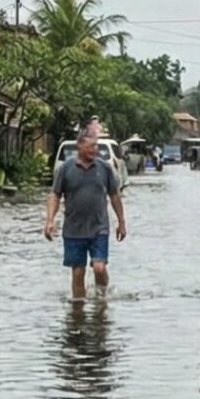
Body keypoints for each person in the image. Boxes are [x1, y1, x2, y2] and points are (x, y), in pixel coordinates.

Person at [44, 119, 126, 297]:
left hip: (99, 228)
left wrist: (121, 222)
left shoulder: (104, 168)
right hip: (74, 230)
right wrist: (50, 220)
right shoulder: (65, 169)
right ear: (79, 146)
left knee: (99, 267)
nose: (95, 150)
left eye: (96, 146)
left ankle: (102, 295)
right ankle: (78, 310)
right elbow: (55, 195)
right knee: (78, 272)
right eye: (91, 146)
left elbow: (114, 196)